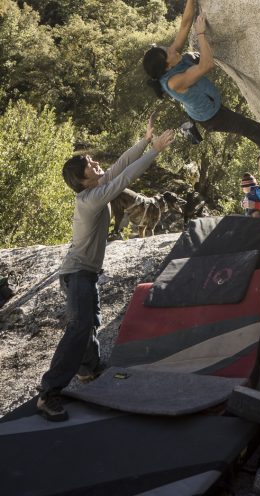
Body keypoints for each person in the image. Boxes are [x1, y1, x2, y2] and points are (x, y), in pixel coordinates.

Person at [36, 114, 174, 422]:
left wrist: (145, 139)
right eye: (89, 163)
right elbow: (126, 178)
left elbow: (122, 164)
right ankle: (49, 393)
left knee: (89, 323)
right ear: (83, 179)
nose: (95, 162)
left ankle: (89, 370)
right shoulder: (92, 198)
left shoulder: (97, 188)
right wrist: (155, 152)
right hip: (77, 274)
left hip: (85, 273)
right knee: (78, 328)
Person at [143, 0, 260, 156]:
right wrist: (200, 34)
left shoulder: (172, 57)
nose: (172, 49)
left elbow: (184, 24)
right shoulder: (174, 82)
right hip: (212, 116)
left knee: (190, 56)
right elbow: (207, 65)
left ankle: (196, 58)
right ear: (166, 67)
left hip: (200, 95)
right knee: (249, 127)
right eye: (168, 52)